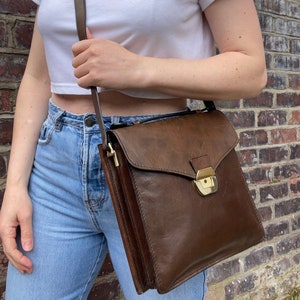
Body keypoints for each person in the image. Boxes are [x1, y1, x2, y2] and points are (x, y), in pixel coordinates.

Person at [0, 0, 267, 299]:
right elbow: (38, 78)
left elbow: (251, 70)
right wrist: (15, 187)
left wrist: (137, 69)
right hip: (55, 175)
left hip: (161, 169)